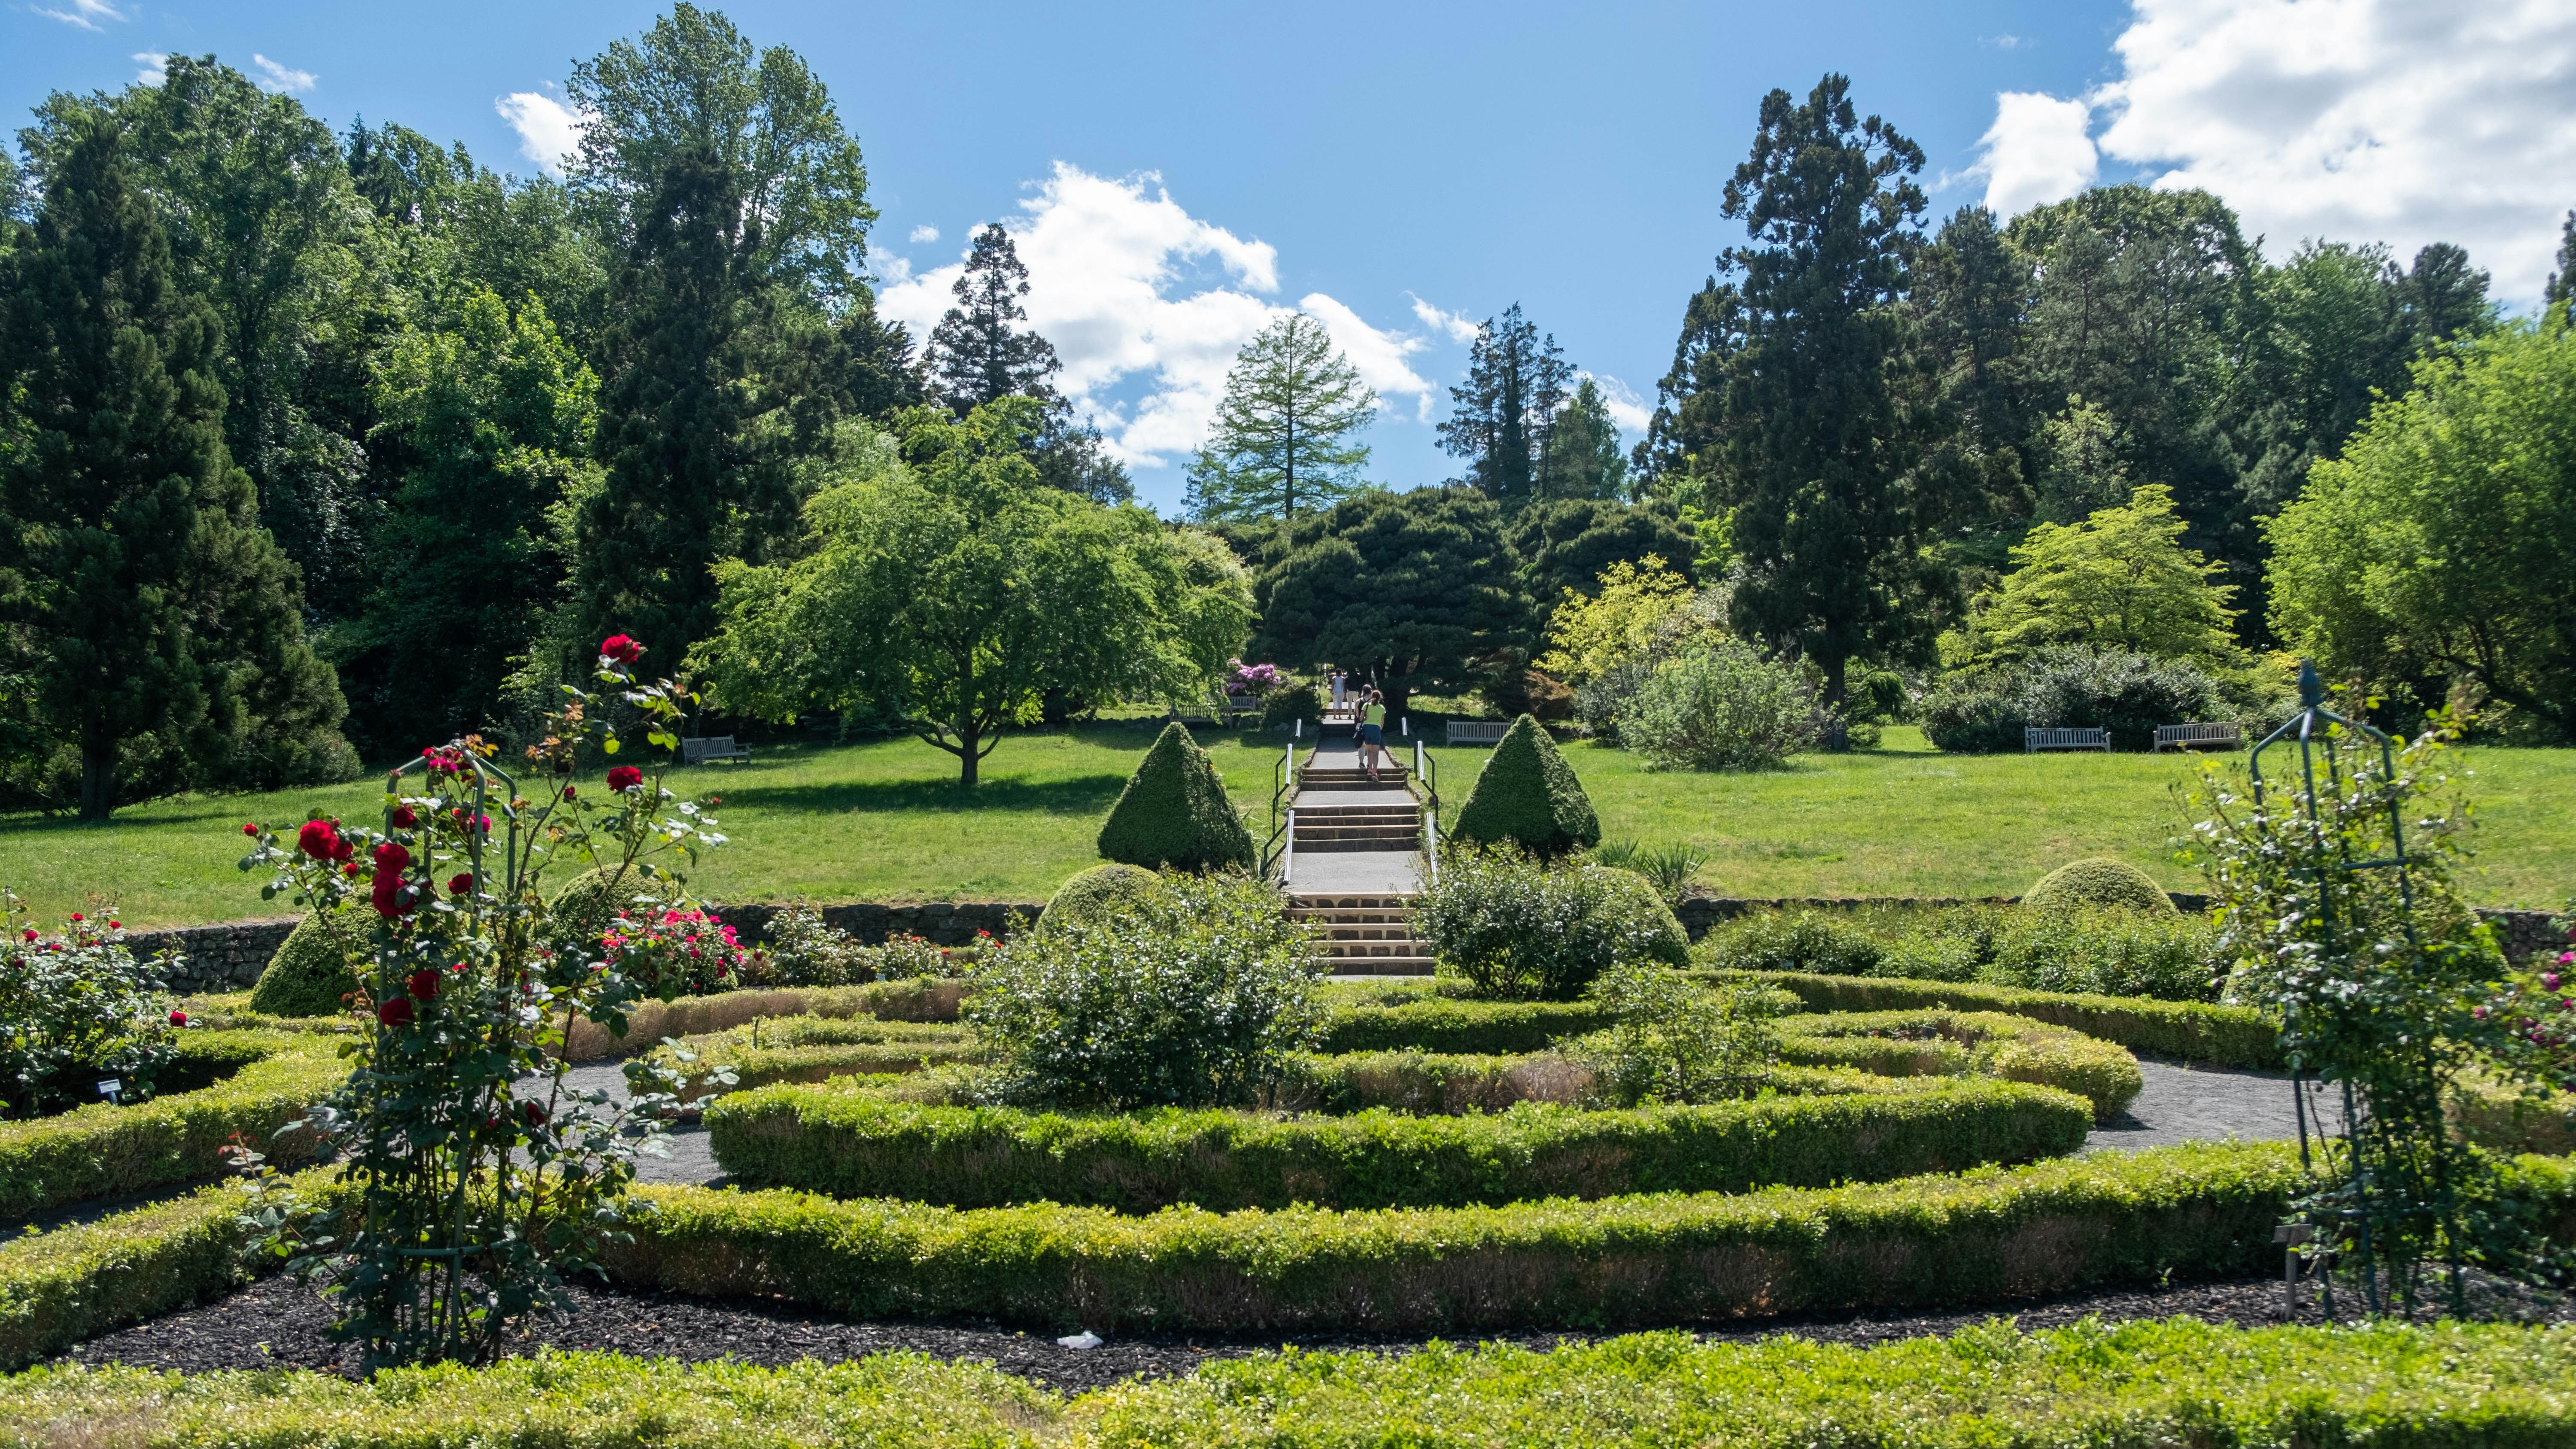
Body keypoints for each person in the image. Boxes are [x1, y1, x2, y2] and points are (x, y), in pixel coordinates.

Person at [1357, 689, 1388, 781]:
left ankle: (1369, 770)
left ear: (1372, 696)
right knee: (1376, 753)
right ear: (1380, 698)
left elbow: (1361, 718)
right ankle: (1375, 772)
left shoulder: (1366, 705)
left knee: (1369, 751)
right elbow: (1382, 723)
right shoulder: (1382, 708)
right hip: (1376, 729)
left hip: (1367, 729)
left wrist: (1367, 717)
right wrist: (1379, 727)